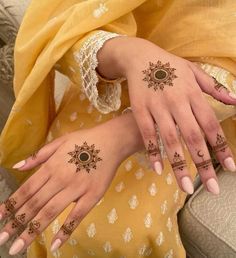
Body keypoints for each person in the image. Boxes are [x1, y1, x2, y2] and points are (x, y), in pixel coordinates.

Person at [0, 0, 236, 257]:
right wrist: (130, 53)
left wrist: (120, 136)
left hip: (182, 114)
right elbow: (58, 24)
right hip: (101, 80)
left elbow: (226, 81)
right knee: (58, 201)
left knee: (117, 235)